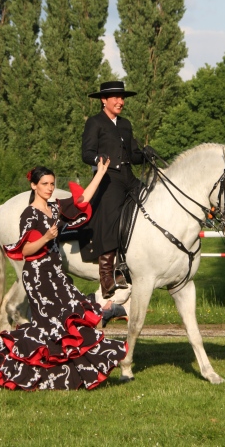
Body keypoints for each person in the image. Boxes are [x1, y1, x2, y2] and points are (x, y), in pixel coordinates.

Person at [0, 159, 128, 391]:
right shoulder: (29, 215)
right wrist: (45, 238)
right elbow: (25, 251)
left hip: (56, 275)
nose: (50, 188)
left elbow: (82, 200)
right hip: (38, 277)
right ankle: (19, 372)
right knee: (48, 328)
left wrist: (100, 174)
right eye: (45, 184)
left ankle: (69, 375)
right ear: (34, 186)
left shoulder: (54, 209)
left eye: (52, 183)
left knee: (71, 317)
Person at [81, 80, 144, 299]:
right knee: (111, 215)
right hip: (107, 178)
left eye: (122, 97)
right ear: (103, 100)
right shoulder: (95, 123)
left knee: (150, 203)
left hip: (129, 177)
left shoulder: (126, 124)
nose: (120, 101)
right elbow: (86, 153)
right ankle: (107, 276)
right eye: (116, 98)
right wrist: (99, 158)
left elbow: (134, 156)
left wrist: (146, 153)